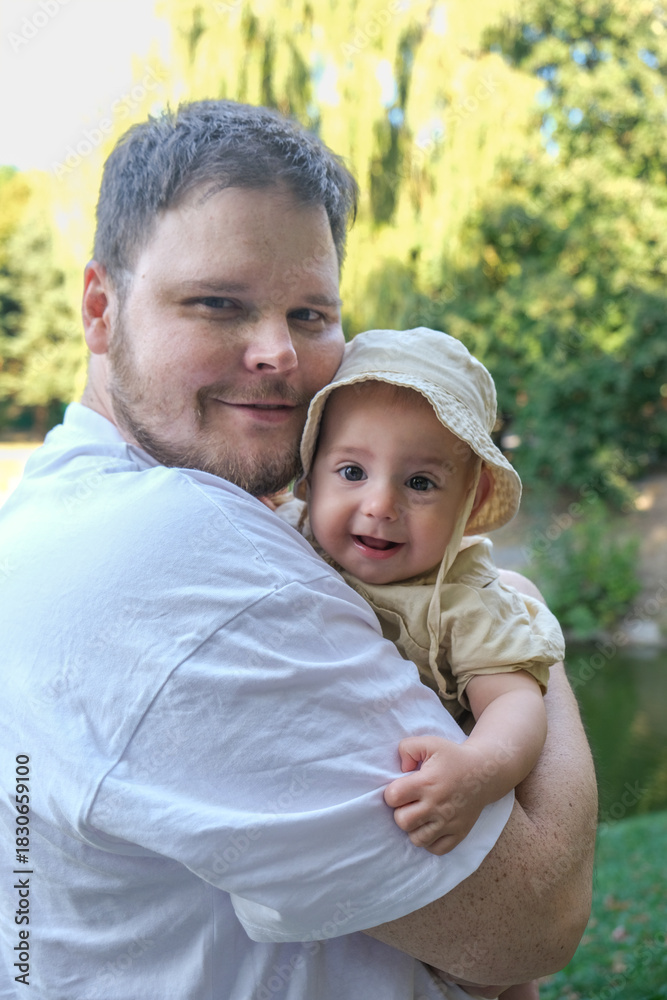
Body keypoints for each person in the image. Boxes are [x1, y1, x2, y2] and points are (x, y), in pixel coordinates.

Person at [0, 100, 596, 1000]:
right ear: (99, 307)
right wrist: (523, 626)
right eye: (218, 304)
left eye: (311, 313)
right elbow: (532, 921)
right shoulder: (177, 559)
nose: (278, 352)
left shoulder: (58, 505)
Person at [276, 326, 568, 1000]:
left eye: (420, 482)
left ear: (468, 503)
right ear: (309, 472)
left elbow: (517, 702)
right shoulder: (285, 541)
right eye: (351, 472)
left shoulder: (465, 601)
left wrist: (480, 768)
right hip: (353, 846)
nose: (380, 504)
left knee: (485, 975)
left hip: (453, 814)